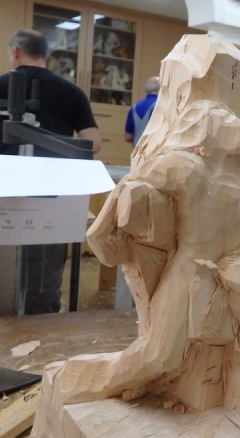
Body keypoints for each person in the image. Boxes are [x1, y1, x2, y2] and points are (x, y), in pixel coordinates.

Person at [0, 29, 102, 315]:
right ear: (47, 56)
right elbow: (93, 143)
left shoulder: (1, 83)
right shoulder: (71, 92)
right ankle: (42, 324)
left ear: (15, 52)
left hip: (4, 192)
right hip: (52, 197)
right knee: (44, 275)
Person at [123, 75, 160, 146]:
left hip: (138, 151)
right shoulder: (162, 106)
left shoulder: (134, 107)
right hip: (157, 150)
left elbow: (128, 137)